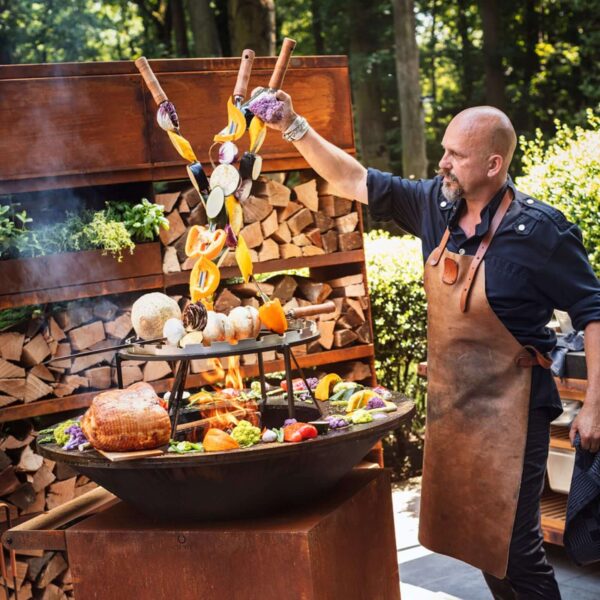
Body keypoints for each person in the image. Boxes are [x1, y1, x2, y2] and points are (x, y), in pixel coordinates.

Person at [263, 92, 600, 599]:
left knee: (515, 549)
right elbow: (352, 179)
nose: (442, 162)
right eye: (444, 150)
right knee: (483, 547)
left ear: (494, 163)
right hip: (456, 409)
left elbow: (594, 311)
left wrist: (595, 405)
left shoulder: (542, 232)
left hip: (516, 410)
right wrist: (293, 125)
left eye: (456, 155)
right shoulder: (433, 204)